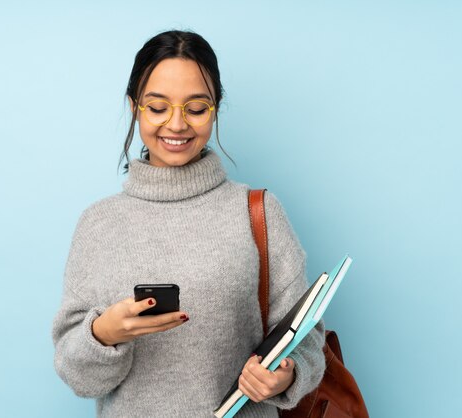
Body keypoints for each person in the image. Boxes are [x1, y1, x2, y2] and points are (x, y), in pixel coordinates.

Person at [51, 29, 326, 418]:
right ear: (135, 107)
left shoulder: (258, 212)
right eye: (158, 107)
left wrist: (286, 375)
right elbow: (77, 376)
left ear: (216, 108)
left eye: (196, 108)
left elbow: (306, 340)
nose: (177, 125)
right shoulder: (99, 224)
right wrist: (105, 334)